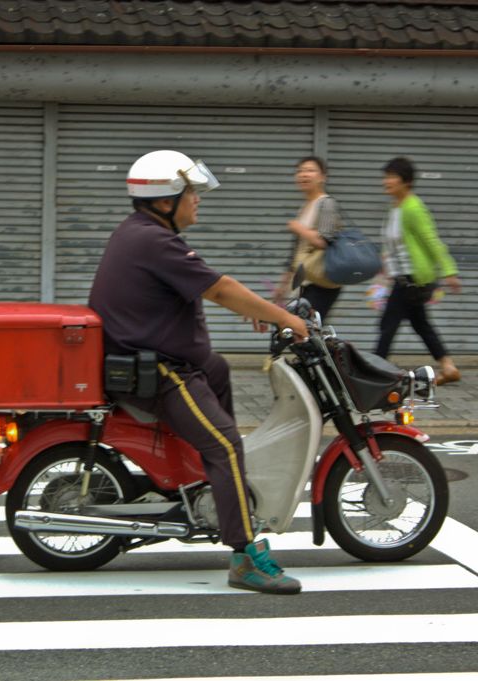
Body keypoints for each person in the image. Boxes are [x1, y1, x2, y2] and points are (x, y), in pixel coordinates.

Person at [88, 150, 308, 595]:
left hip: (156, 359)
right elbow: (221, 289)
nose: (198, 200)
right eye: (192, 192)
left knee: (218, 368)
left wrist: (262, 309)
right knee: (225, 443)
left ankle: (208, 486)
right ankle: (246, 556)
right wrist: (286, 318)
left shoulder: (145, 233)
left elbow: (209, 285)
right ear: (165, 199)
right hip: (155, 370)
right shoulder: (153, 240)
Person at [373, 157, 462, 385]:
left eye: (392, 176)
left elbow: (431, 240)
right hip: (402, 276)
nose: (387, 181)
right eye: (386, 176)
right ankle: (448, 366)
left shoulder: (413, 207)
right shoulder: (395, 208)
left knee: (388, 324)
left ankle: (373, 371)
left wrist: (449, 271)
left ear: (407, 181)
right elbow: (394, 242)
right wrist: (384, 261)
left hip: (412, 278)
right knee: (420, 324)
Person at [275, 156, 343, 322]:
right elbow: (296, 252)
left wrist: (298, 228)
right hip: (305, 281)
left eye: (310, 170)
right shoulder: (305, 207)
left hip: (322, 283)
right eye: (300, 171)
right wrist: (283, 285)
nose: (304, 175)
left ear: (322, 177)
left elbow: (324, 241)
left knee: (306, 333)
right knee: (304, 334)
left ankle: (341, 348)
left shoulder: (326, 204)